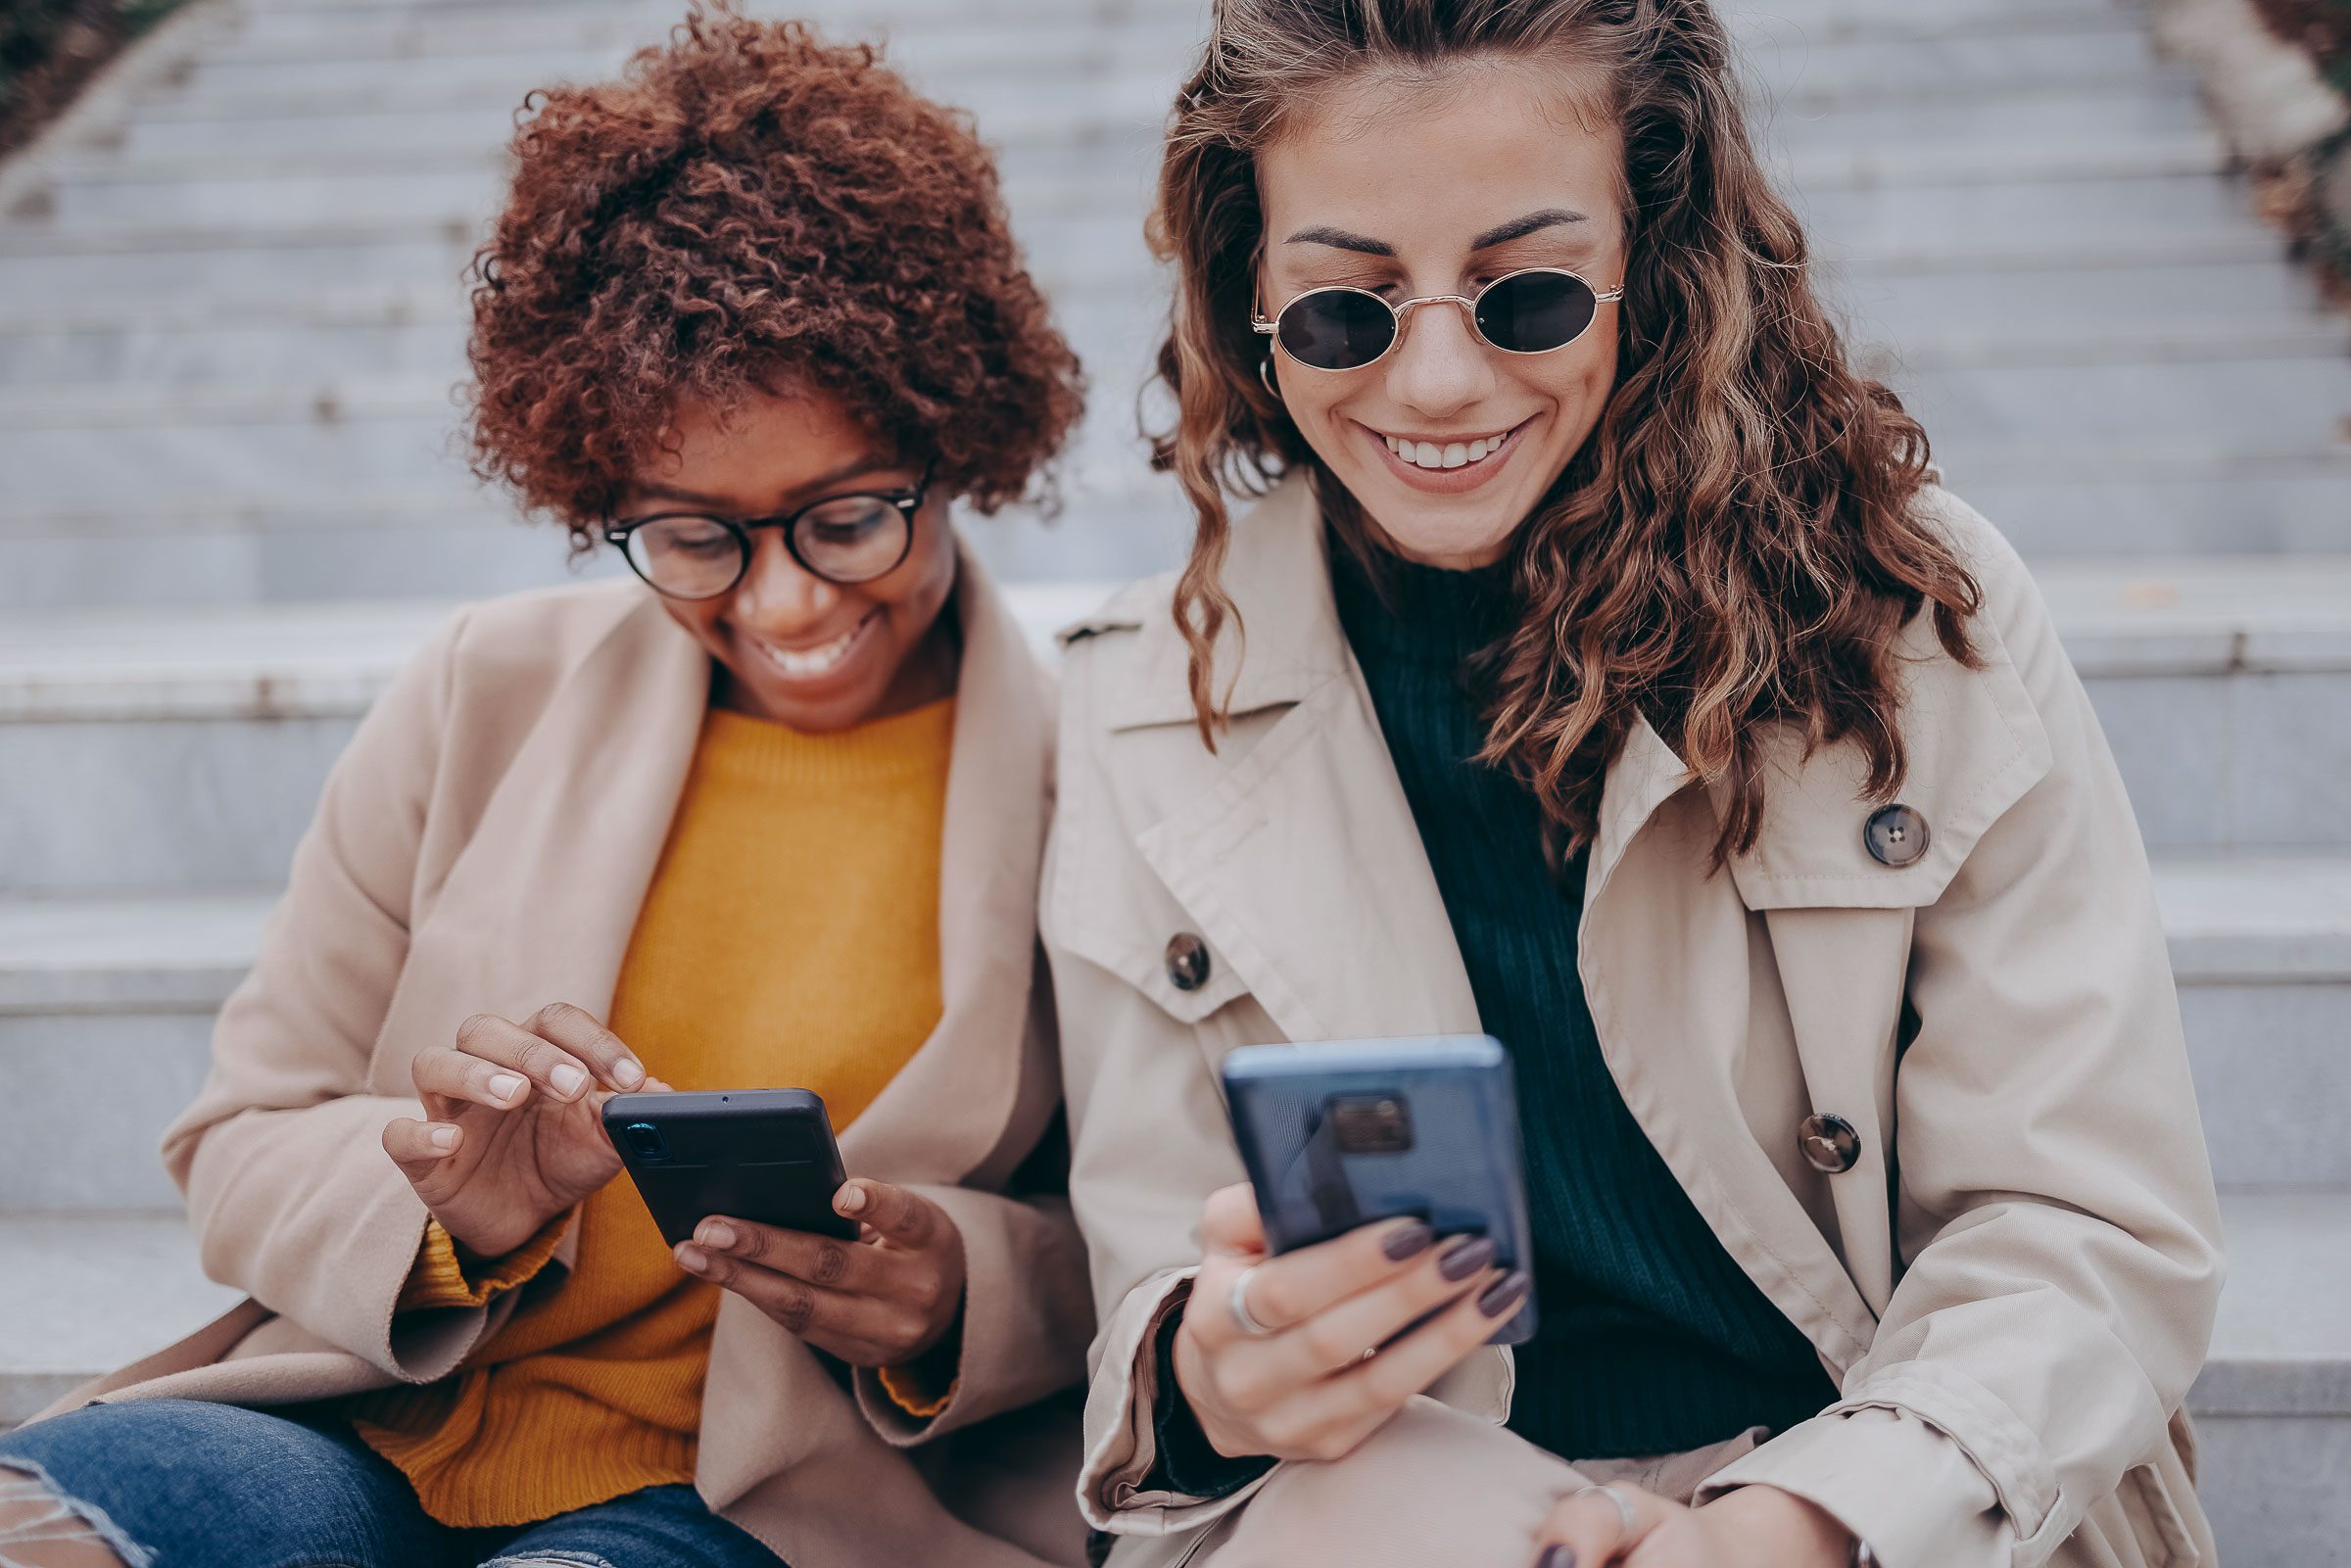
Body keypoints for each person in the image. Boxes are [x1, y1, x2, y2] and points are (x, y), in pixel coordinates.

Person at [1046, 2, 2224, 1566]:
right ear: (1246, 295)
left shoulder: (1911, 609)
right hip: (1391, 1504)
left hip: (1891, 1491)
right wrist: (1213, 1366)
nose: (1441, 381)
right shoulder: (1144, 695)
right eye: (1346, 307)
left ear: (1654, 266)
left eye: (1528, 294)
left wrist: (1794, 1523)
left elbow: (2084, 1233)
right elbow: (1156, 1262)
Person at [0, 13, 1092, 1568]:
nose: (784, 606)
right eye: (696, 536)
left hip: (740, 1494)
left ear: (955, 432)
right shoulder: (482, 691)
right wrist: (455, 1212)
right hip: (364, 1427)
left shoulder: (1084, 768)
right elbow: (240, 1136)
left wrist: (953, 1289)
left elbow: (1143, 1222)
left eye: (850, 519)